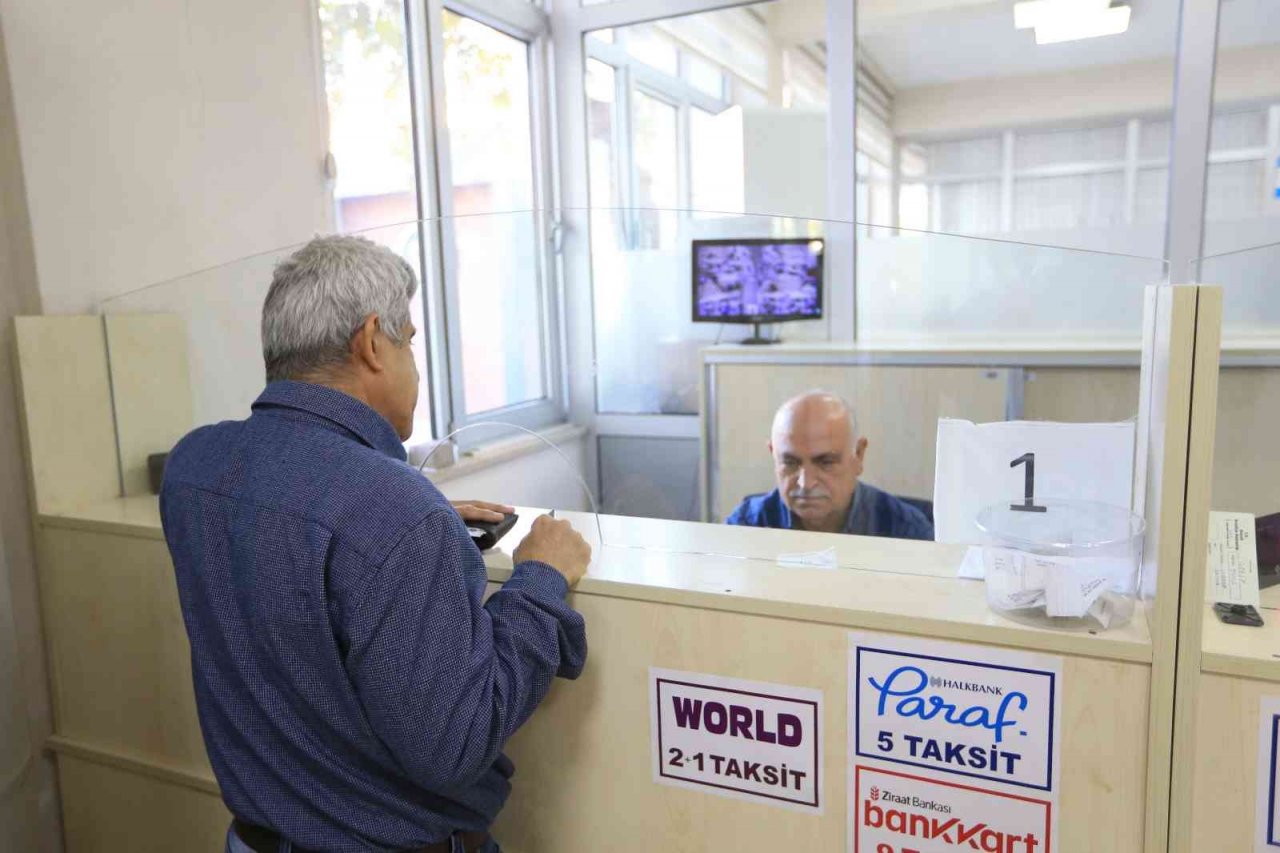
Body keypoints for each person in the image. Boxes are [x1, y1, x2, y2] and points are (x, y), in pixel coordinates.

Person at [160, 235, 590, 853]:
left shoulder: (194, 466)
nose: (414, 358)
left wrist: (413, 519)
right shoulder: (390, 511)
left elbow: (290, 527)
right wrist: (542, 579)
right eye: (409, 340)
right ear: (370, 343)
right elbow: (455, 745)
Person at [725, 391, 934, 541]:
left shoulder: (905, 531)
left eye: (825, 463)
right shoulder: (747, 525)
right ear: (773, 456)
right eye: (790, 463)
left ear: (859, 455)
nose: (805, 483)